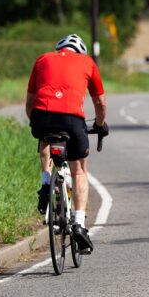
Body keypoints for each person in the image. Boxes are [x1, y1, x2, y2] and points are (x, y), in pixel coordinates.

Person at [25, 34, 108, 254]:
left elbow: (30, 101)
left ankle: (45, 183)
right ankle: (79, 224)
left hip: (42, 116)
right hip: (72, 119)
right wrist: (99, 125)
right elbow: (99, 102)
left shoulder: (43, 59)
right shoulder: (88, 62)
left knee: (45, 137)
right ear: (80, 51)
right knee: (79, 171)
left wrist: (35, 122)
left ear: (58, 48)